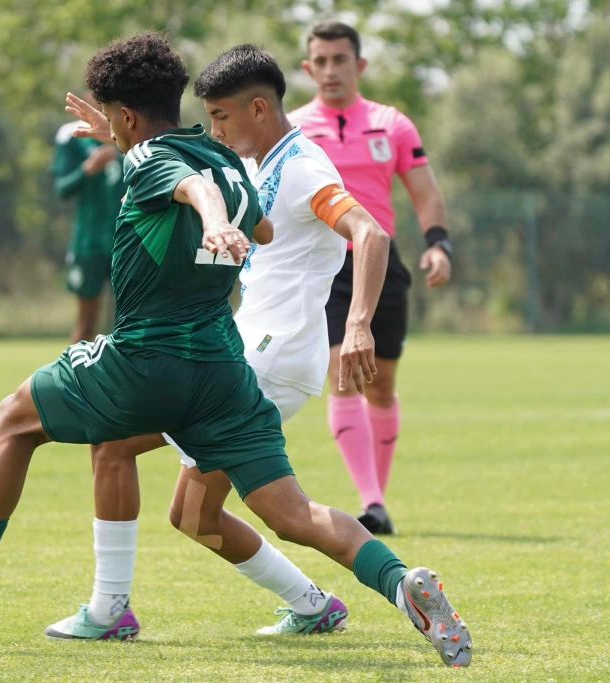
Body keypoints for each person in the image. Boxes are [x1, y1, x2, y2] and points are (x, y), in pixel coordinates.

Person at [0, 33, 471, 668]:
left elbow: (193, 188)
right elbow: (260, 223)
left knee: (16, 417)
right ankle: (393, 582)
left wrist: (209, 214)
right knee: (269, 512)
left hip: (169, 355)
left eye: (115, 118)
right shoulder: (231, 163)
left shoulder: (202, 164)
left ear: (129, 117)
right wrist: (164, 169)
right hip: (225, 369)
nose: (215, 124)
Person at [52, 43, 390, 640]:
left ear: (257, 108)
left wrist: (359, 321)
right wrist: (121, 134)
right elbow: (192, 178)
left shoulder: (304, 166)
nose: (213, 130)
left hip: (266, 353)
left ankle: (108, 611)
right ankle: (315, 605)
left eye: (220, 117)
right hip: (254, 348)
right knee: (193, 515)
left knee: (115, 444)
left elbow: (369, 232)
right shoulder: (261, 159)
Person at [290, 21, 454, 534]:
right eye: (322, 61)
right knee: (343, 370)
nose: (331, 70)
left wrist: (439, 245)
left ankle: (377, 502)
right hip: (327, 265)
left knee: (381, 387)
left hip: (384, 262)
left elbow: (425, 193)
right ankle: (373, 500)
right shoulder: (292, 129)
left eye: (341, 60)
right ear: (307, 68)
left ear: (359, 66)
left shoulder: (392, 124)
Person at [51, 93, 126, 342]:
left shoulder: (130, 129)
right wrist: (88, 169)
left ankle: (122, 380)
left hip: (127, 242)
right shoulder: (72, 135)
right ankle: (74, 380)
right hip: (89, 241)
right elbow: (62, 188)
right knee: (86, 322)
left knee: (129, 321)